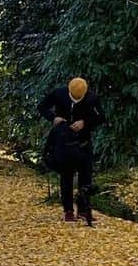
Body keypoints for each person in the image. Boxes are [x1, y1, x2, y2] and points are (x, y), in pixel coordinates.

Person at [37, 77, 104, 225]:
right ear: (69, 91)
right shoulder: (58, 94)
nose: (77, 98)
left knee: (86, 175)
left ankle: (83, 209)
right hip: (63, 140)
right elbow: (41, 107)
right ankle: (68, 210)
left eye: (80, 97)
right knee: (66, 175)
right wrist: (53, 118)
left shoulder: (92, 98)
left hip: (83, 141)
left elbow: (101, 117)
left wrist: (85, 122)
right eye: (74, 96)